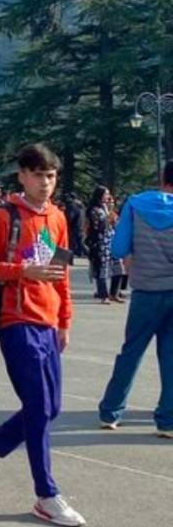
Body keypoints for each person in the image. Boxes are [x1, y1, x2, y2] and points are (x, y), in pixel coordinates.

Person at [0, 144, 83, 527]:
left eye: (50, 176)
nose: (44, 183)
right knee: (37, 406)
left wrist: (64, 319)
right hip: (15, 320)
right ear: (22, 175)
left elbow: (61, 271)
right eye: (37, 175)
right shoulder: (2, 217)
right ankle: (46, 494)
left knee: (51, 408)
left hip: (48, 322)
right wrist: (23, 272)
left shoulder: (58, 217)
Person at [98, 159, 173, 438]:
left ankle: (111, 412)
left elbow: (118, 247)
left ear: (163, 178)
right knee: (171, 358)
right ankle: (167, 421)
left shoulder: (136, 203)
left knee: (131, 352)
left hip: (145, 291)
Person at [87, 185, 124, 303]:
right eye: (106, 194)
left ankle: (115, 293)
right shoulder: (94, 210)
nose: (108, 197)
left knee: (119, 268)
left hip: (112, 241)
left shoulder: (109, 208)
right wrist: (108, 215)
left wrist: (112, 213)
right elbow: (98, 225)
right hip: (101, 242)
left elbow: (115, 224)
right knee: (102, 269)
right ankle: (104, 295)